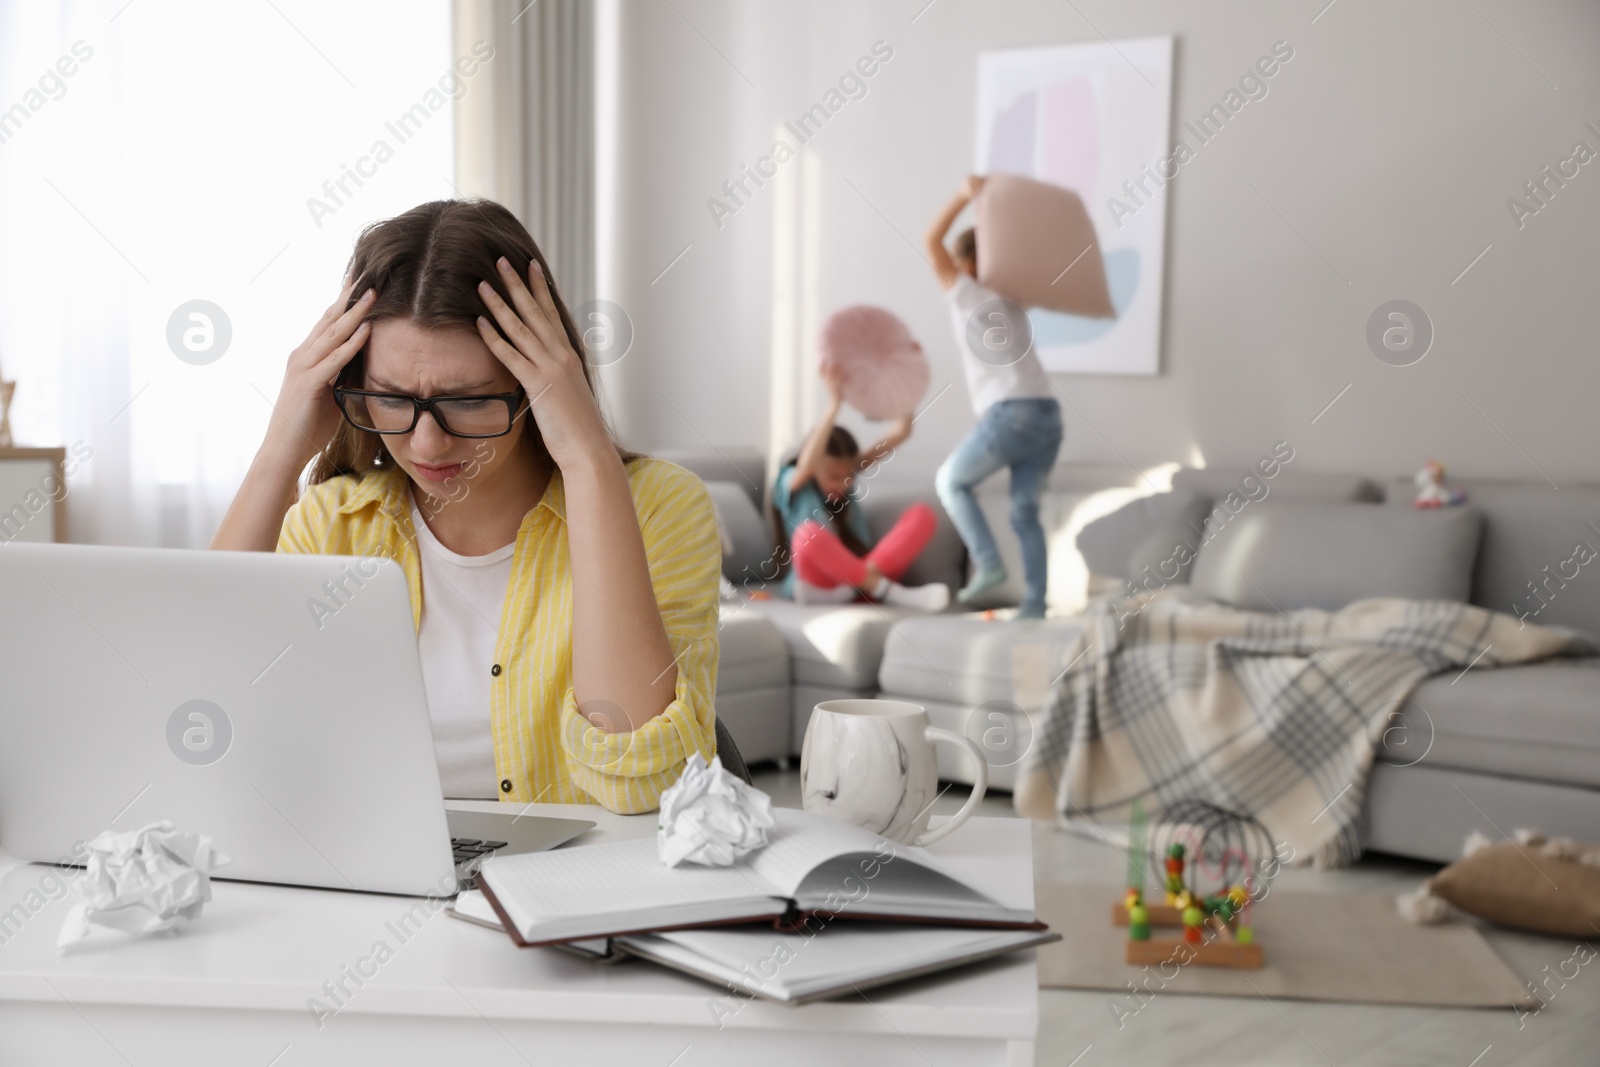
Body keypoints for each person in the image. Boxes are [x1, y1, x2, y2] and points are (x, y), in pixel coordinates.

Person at [212, 198, 720, 815]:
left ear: (539, 384)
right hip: (367, 884)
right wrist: (277, 456)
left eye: (469, 401)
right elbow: (204, 728)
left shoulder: (660, 507)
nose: (428, 443)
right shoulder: (332, 523)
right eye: (391, 398)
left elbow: (647, 787)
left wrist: (588, 462)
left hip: (569, 887)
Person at [925, 173, 1064, 620]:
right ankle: (1035, 605)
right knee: (1025, 514)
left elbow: (931, 241)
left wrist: (964, 197)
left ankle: (987, 562)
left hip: (1012, 412)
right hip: (1047, 414)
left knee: (950, 482)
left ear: (967, 266)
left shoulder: (970, 294)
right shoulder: (1013, 299)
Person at [770, 362, 949, 612]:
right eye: (833, 476)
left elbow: (901, 431)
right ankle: (886, 590)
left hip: (859, 573)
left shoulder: (846, 476)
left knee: (923, 514)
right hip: (817, 582)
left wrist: (903, 390)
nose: (843, 484)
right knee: (807, 533)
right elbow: (807, 467)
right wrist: (834, 404)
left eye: (848, 476)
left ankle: (856, 587)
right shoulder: (795, 479)